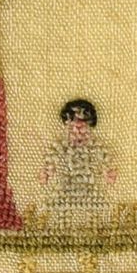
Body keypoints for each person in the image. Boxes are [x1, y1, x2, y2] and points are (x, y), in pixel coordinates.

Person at [42, 97, 116, 227]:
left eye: (83, 123)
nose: (78, 126)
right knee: (63, 208)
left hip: (89, 184)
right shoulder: (62, 144)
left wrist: (108, 171)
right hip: (67, 183)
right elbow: (52, 156)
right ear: (68, 124)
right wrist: (47, 171)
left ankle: (95, 228)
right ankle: (62, 229)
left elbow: (104, 156)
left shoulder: (94, 144)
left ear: (89, 124)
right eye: (74, 122)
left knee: (94, 207)